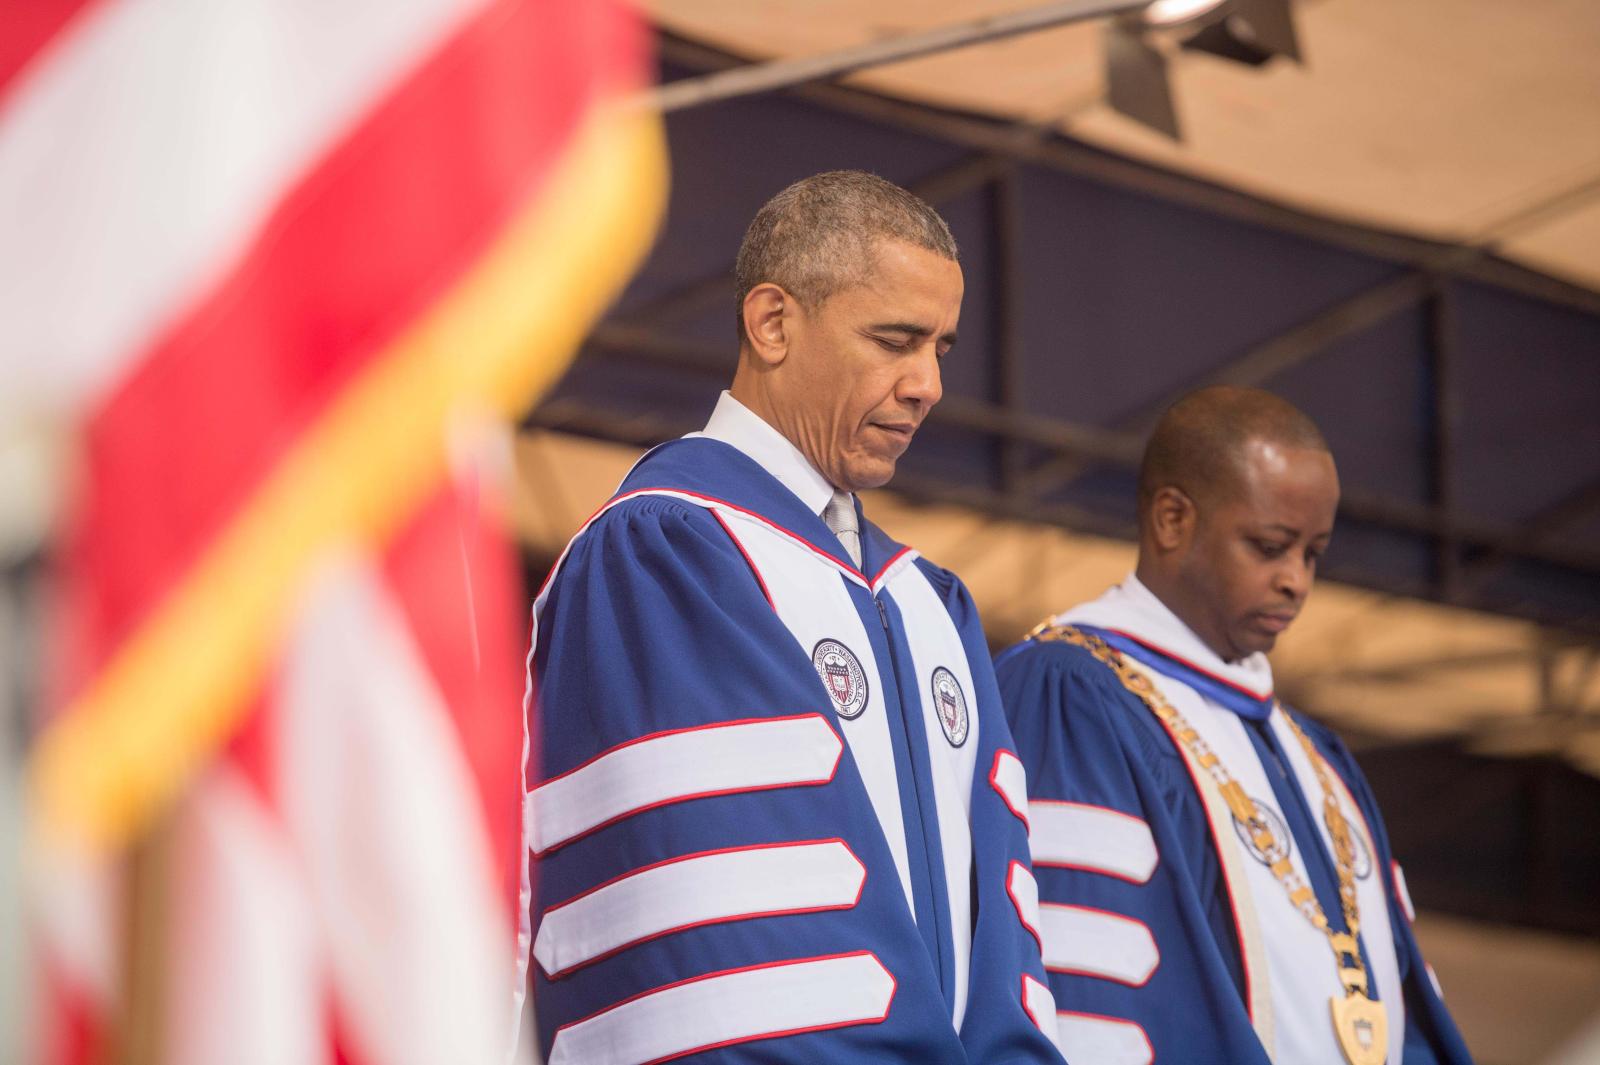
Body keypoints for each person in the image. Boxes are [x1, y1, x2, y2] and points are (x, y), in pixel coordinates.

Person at [518, 171, 1064, 1064]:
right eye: (894, 339)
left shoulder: (929, 599)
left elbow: (1000, 914)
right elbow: (726, 939)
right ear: (773, 323)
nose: (927, 383)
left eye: (942, 348)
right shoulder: (668, 551)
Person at [995, 386, 1473, 1065]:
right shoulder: (1073, 695)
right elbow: (1089, 997)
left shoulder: (1318, 759)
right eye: (1271, 546)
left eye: (1313, 553)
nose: (1297, 582)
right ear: (1171, 519)